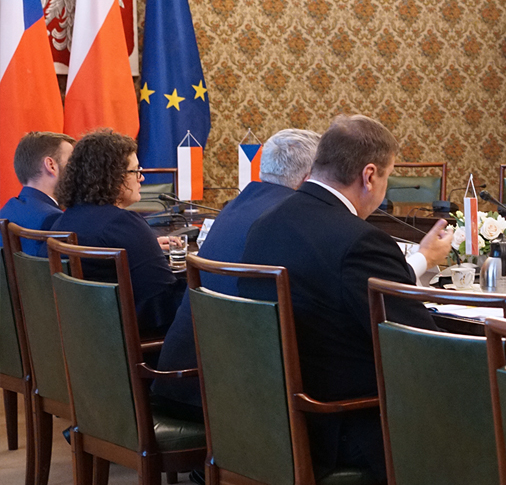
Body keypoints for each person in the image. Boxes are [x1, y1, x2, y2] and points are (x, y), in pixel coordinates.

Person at [239, 115, 453, 480]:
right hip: (344, 425)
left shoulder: (265, 224)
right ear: (369, 176)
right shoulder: (361, 242)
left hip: (275, 421)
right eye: (387, 177)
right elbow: (420, 348)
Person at [152, 129, 322, 416]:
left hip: (182, 381)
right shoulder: (290, 216)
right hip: (225, 402)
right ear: (309, 177)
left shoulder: (236, 206)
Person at [51, 129, 185, 337]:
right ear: (113, 177)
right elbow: (162, 300)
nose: (141, 178)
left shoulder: (64, 220)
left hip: (84, 341)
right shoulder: (122, 224)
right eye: (135, 171)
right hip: (136, 344)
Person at [0, 131, 74, 256]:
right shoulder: (54, 220)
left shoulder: (6, 211)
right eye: (71, 164)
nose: (77, 172)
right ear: (51, 165)